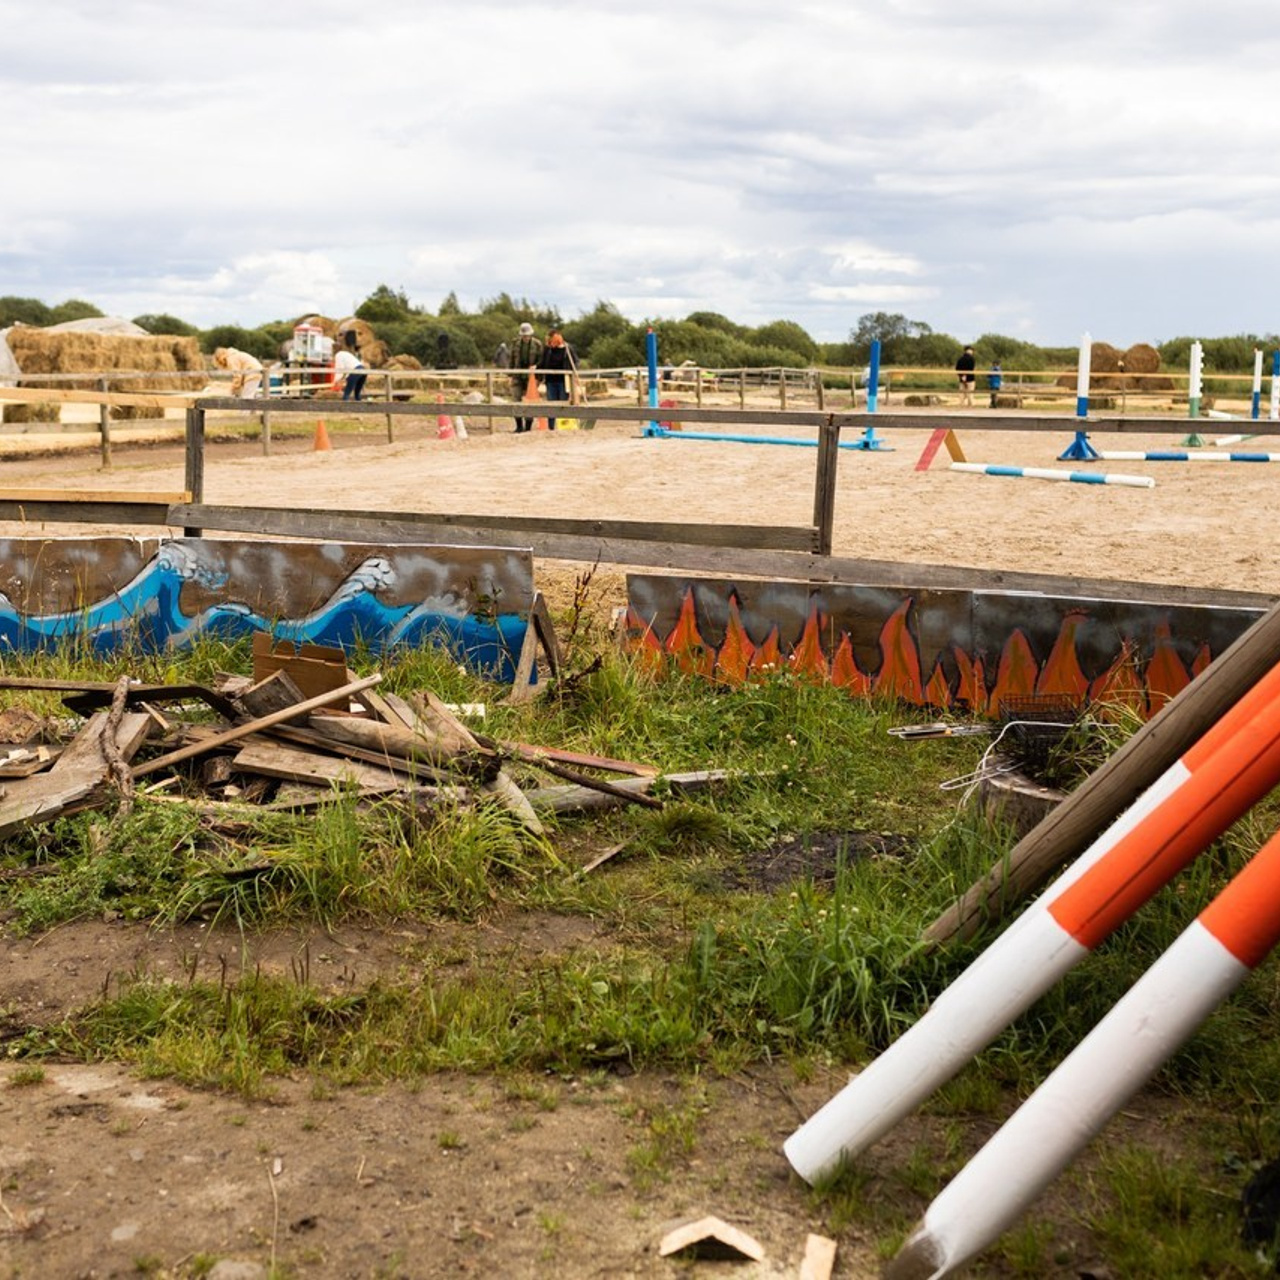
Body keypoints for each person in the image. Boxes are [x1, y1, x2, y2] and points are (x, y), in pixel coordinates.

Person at [510, 322, 543, 432]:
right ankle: (519, 426)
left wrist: (538, 375)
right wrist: (510, 374)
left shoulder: (537, 344)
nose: (526, 337)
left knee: (530, 401)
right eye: (524, 335)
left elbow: (541, 361)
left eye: (527, 335)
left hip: (531, 377)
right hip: (517, 375)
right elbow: (512, 359)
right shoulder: (515, 344)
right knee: (516, 400)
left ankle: (528, 427)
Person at [538, 328, 573, 430]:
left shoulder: (567, 349)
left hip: (563, 381)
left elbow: (575, 362)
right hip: (550, 381)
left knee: (563, 404)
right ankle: (551, 427)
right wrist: (536, 369)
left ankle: (564, 426)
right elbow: (542, 362)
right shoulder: (547, 349)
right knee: (551, 404)